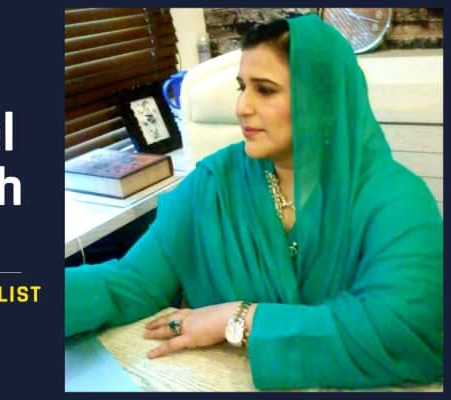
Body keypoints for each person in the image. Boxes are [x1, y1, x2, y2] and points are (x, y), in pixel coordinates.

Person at [64, 13, 443, 390]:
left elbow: (409, 327)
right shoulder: (213, 185)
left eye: (265, 90)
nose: (242, 107)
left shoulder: (395, 199)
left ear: (323, 102)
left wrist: (241, 319)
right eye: (241, 87)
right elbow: (130, 283)